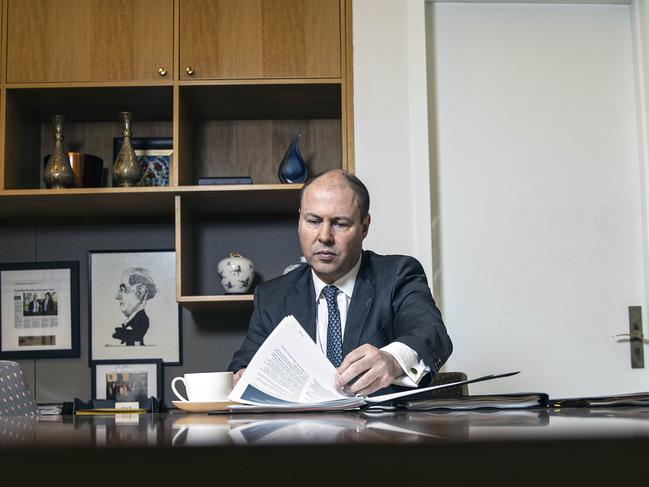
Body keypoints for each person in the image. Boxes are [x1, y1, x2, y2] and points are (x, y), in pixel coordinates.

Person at [228, 169, 452, 396]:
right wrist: (242, 375)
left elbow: (431, 333)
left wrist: (392, 360)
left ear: (364, 227)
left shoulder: (397, 275)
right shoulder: (271, 296)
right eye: (313, 221)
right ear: (299, 222)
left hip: (384, 428)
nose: (324, 236)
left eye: (340, 224)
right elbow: (245, 362)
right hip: (298, 429)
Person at [112, 267, 157, 346]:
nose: (116, 296)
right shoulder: (136, 317)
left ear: (140, 292)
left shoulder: (143, 320)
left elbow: (137, 337)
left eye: (123, 289)